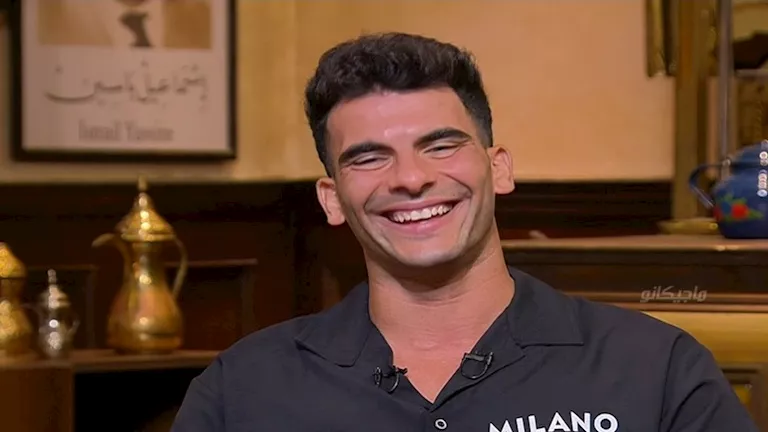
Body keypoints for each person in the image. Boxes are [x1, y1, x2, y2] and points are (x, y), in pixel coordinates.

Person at [171, 32, 758, 431]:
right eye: (369, 158)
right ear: (332, 199)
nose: (411, 179)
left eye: (441, 146)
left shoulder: (653, 369)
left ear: (498, 168)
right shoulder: (244, 389)